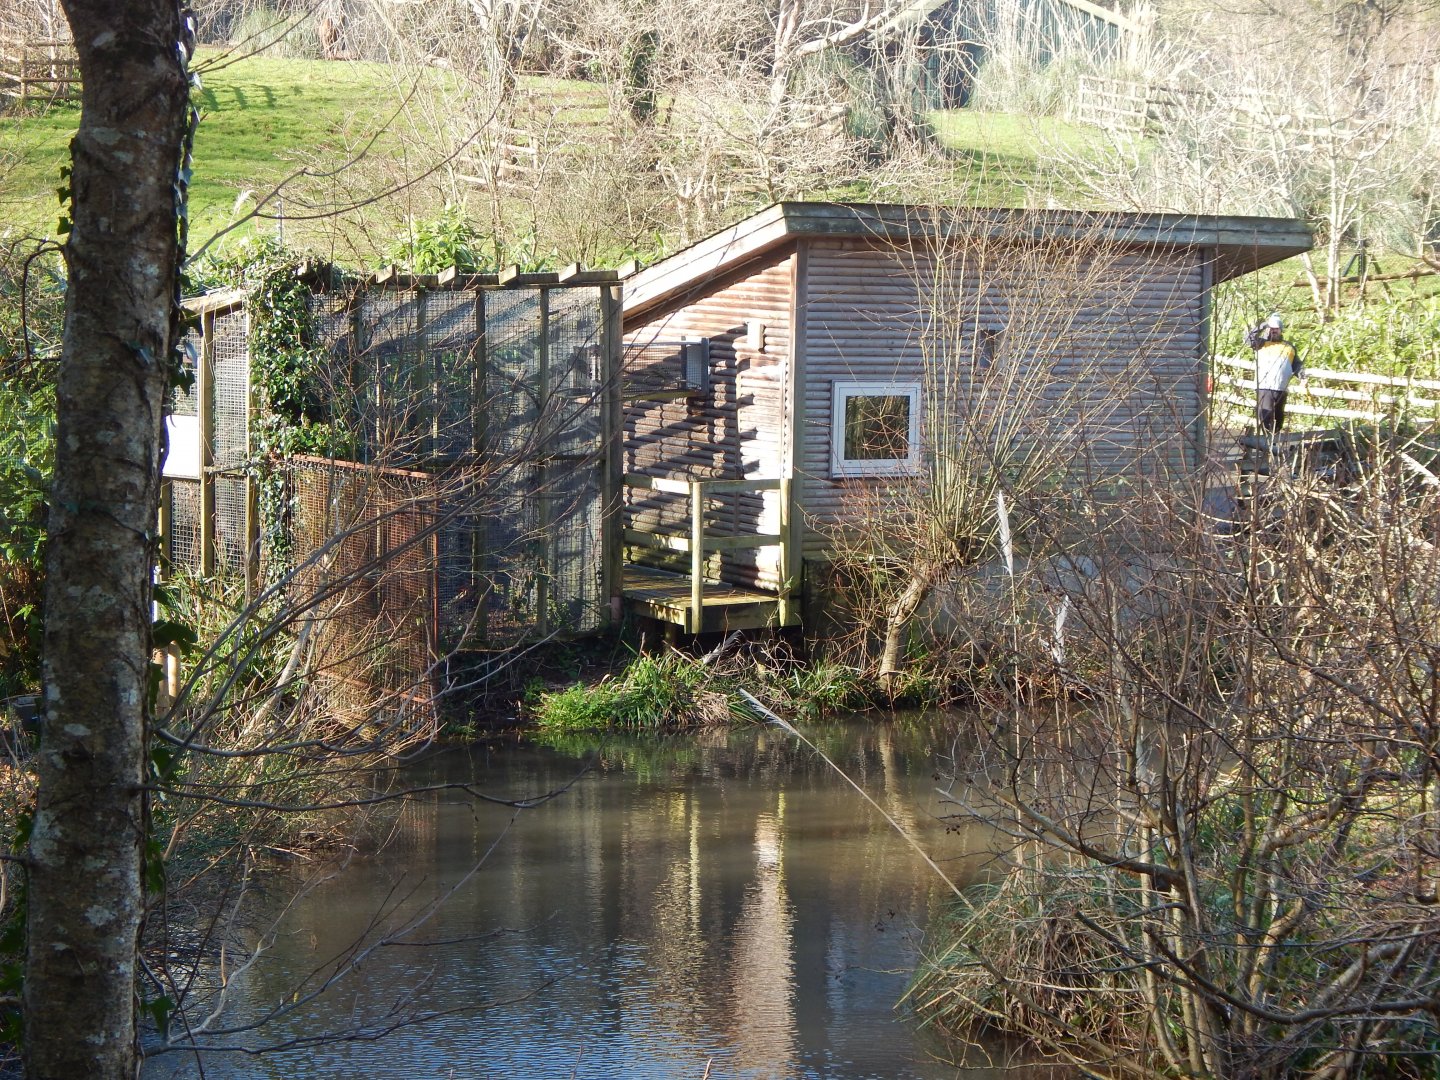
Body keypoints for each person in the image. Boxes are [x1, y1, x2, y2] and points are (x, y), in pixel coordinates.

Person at [1245, 312, 1303, 434]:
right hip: (1264, 387)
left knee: (1279, 418)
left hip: (1281, 389)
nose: (1274, 331)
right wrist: (1263, 325)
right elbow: (1248, 339)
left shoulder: (1289, 347)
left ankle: (1273, 444)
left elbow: (1297, 364)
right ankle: (1266, 443)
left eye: (1276, 329)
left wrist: (1302, 376)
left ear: (1281, 330)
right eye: (1271, 329)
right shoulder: (1260, 344)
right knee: (1265, 417)